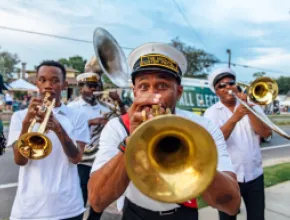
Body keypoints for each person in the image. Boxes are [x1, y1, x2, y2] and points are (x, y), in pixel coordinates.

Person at [88, 43, 241, 220]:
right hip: (134, 213)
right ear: (135, 92)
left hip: (183, 213)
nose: (153, 96)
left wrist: (197, 160)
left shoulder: (203, 128)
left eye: (162, 86)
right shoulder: (117, 127)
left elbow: (231, 205)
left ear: (179, 92)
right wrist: (131, 142)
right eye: (144, 87)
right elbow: (97, 201)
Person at [7, 60, 90, 220]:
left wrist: (59, 129)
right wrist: (26, 123)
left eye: (55, 81)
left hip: (68, 207)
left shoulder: (78, 116)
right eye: (43, 80)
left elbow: (76, 158)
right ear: (36, 83)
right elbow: (20, 160)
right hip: (28, 209)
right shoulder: (19, 116)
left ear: (64, 85)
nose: (48, 85)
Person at [204, 67, 272, 220]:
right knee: (228, 217)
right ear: (216, 92)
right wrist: (236, 117)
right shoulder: (211, 112)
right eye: (221, 85)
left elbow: (266, 134)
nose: (227, 87)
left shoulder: (253, 106)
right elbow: (214, 141)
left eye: (231, 83)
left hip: (254, 175)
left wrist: (249, 110)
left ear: (237, 86)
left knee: (257, 217)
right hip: (227, 178)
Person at [68, 70, 126, 220]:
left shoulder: (106, 106)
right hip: (83, 158)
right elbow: (66, 131)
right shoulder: (72, 107)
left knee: (99, 196)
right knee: (81, 195)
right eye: (90, 86)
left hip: (100, 158)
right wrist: (90, 122)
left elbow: (125, 120)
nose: (94, 89)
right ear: (81, 88)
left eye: (96, 85)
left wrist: (119, 102)